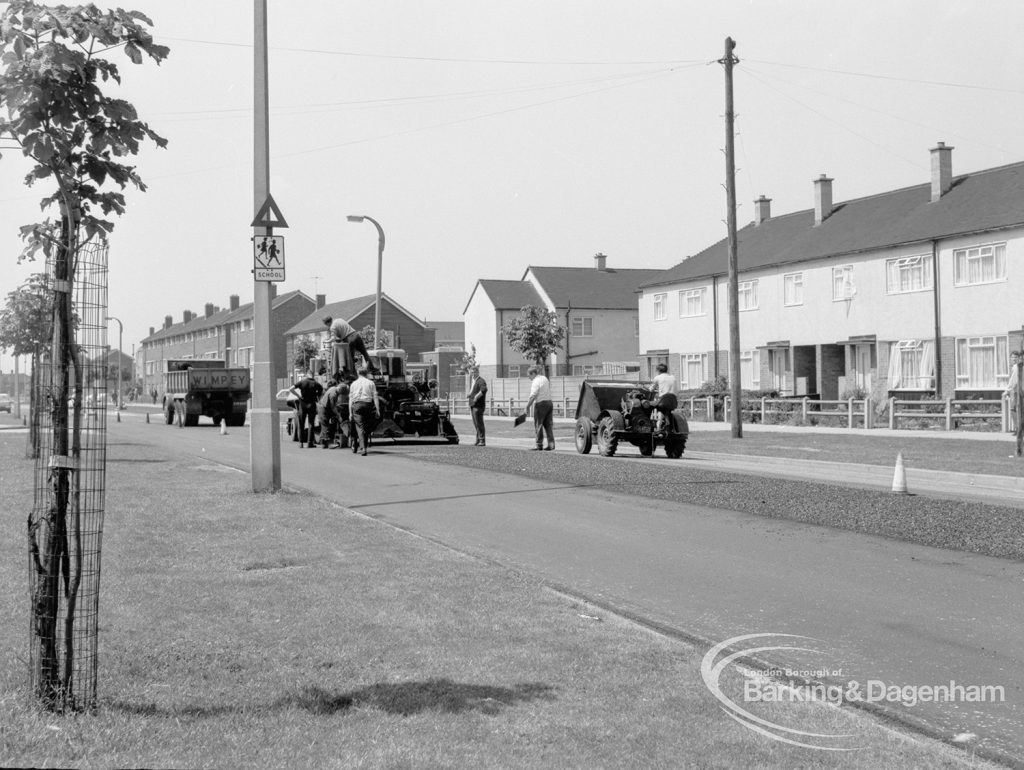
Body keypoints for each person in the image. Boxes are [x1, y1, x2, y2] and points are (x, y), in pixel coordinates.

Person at [348, 366, 380, 456]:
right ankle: (364, 445)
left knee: (360, 427)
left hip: (357, 405)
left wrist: (350, 412)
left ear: (358, 373)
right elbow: (375, 397)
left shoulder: (353, 384)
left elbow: (350, 399)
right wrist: (377, 409)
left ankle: (363, 448)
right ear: (366, 373)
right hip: (368, 405)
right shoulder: (371, 383)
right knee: (365, 426)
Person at [523, 365, 555, 451]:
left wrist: (527, 407)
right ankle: (551, 444)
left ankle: (539, 445)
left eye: (529, 375)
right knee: (548, 425)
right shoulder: (544, 378)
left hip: (541, 404)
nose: (529, 378)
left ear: (533, 373)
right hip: (549, 403)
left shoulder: (535, 381)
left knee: (538, 424)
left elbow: (533, 395)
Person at [289, 370, 322, 448]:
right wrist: (316, 397)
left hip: (303, 404)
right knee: (311, 423)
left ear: (307, 375)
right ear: (312, 375)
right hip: (312, 404)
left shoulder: (302, 382)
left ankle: (301, 443)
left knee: (301, 423)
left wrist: (298, 396)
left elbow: (291, 389)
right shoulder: (316, 383)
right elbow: (320, 392)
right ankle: (310, 443)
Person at [317, 372, 346, 448]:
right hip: (323, 409)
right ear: (340, 390)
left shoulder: (333, 388)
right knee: (325, 425)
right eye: (341, 393)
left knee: (326, 424)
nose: (341, 394)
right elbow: (333, 407)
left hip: (324, 407)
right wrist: (339, 416)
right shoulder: (333, 394)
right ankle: (325, 444)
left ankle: (324, 443)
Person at [649, 362, 679, 431]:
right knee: (664, 409)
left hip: (663, 401)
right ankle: (667, 423)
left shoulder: (658, 377)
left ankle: (655, 426)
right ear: (666, 370)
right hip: (673, 401)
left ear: (658, 371)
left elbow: (651, 389)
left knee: (650, 405)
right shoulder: (673, 377)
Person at [467, 367, 487, 446]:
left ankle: (482, 440)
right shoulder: (473, 381)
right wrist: (470, 394)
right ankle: (478, 440)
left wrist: (476, 397)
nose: (473, 374)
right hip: (473, 404)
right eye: (472, 372)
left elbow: (484, 390)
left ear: (478, 372)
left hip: (478, 406)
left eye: (474, 372)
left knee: (479, 423)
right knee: (476, 423)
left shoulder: (481, 381)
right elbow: (473, 390)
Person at [1005, 351, 1022, 432]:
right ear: (1010, 358)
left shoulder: (1016, 367)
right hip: (1018, 390)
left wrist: (1007, 391)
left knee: (1013, 409)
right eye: (1012, 357)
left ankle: (1018, 428)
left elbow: (1013, 380)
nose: (1014, 359)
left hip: (1017, 391)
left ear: (1018, 358)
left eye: (1016, 357)